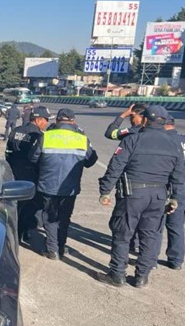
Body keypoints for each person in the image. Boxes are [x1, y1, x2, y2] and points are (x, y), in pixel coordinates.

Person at [98, 106, 184, 288]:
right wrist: (174, 198)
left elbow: (116, 167)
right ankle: (142, 277)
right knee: (149, 236)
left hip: (133, 195)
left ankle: (117, 274)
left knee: (122, 234)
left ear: (144, 120)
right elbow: (178, 175)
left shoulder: (133, 139)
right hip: (159, 196)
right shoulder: (174, 144)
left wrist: (105, 191)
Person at [29, 108, 98, 260]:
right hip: (70, 187)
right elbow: (91, 161)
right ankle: (60, 247)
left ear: (57, 120)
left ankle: (52, 249)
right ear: (73, 121)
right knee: (64, 218)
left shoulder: (46, 136)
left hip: (48, 184)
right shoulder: (82, 138)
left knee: (49, 216)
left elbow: (33, 158)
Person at [5, 109, 50, 240]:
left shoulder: (16, 131)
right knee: (29, 205)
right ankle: (23, 231)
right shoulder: (38, 135)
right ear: (38, 120)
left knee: (16, 204)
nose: (46, 124)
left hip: (14, 171)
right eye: (46, 120)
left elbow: (8, 151)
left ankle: (16, 231)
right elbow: (36, 157)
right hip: (30, 173)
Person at [163, 114, 185, 270]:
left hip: (172, 186)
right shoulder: (184, 138)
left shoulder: (164, 141)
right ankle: (176, 259)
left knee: (162, 223)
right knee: (178, 225)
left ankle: (149, 256)